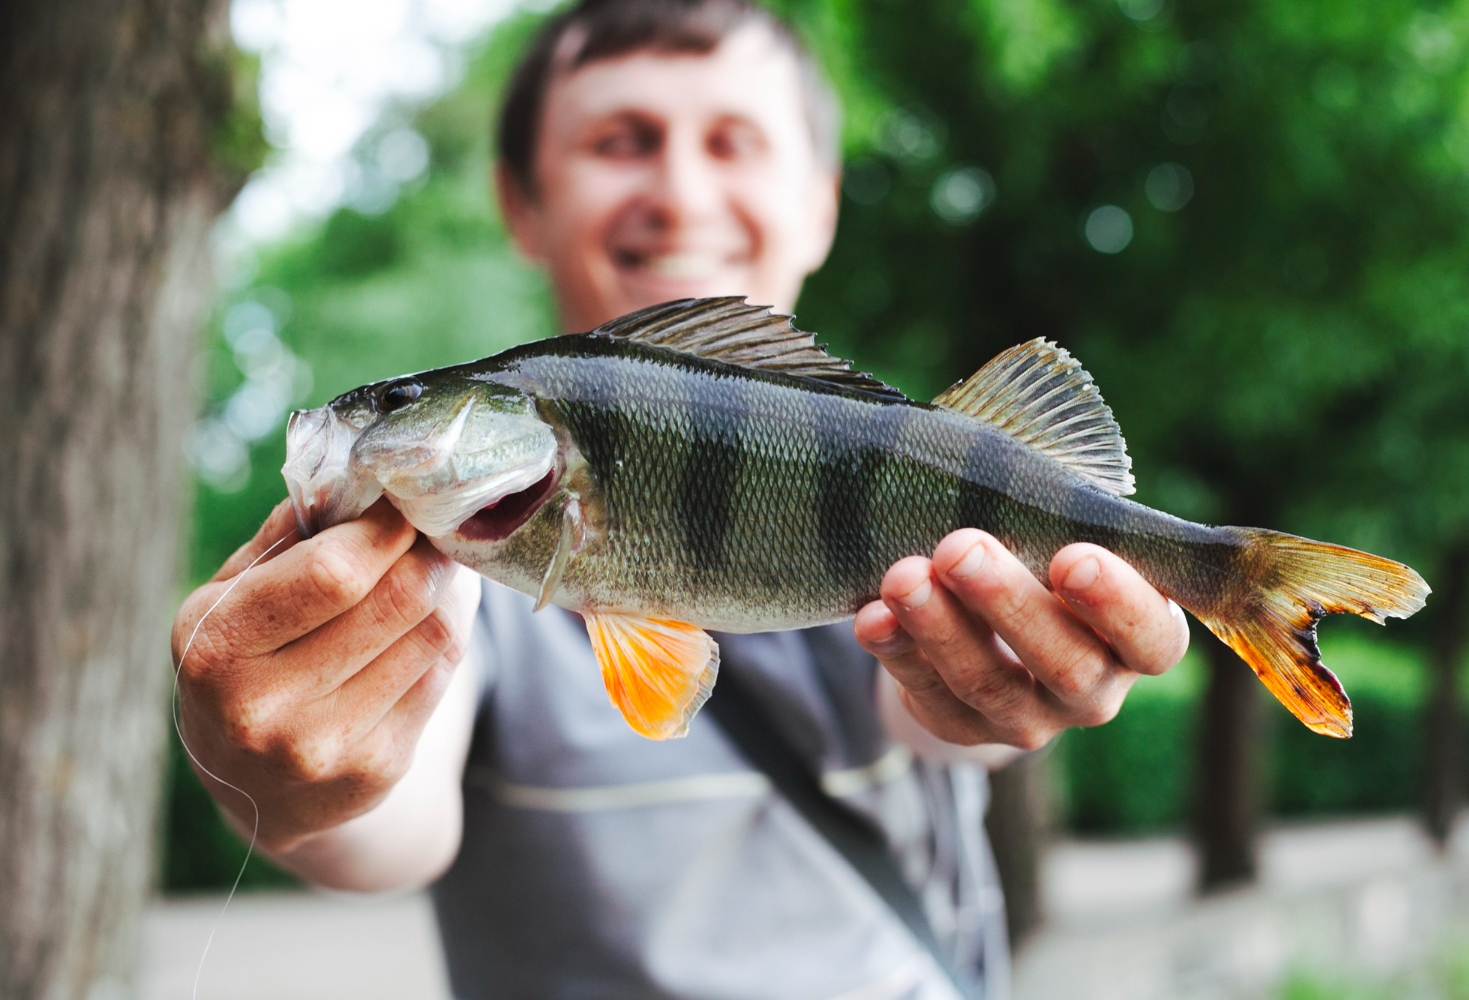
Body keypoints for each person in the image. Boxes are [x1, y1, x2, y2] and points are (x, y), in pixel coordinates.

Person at [172, 1, 1190, 996]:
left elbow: (926, 712)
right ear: (521, 202)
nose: (682, 191)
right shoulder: (458, 583)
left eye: (735, 141)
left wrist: (998, 683)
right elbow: (389, 828)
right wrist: (283, 778)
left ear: (821, 203)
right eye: (622, 140)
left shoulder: (914, 467)